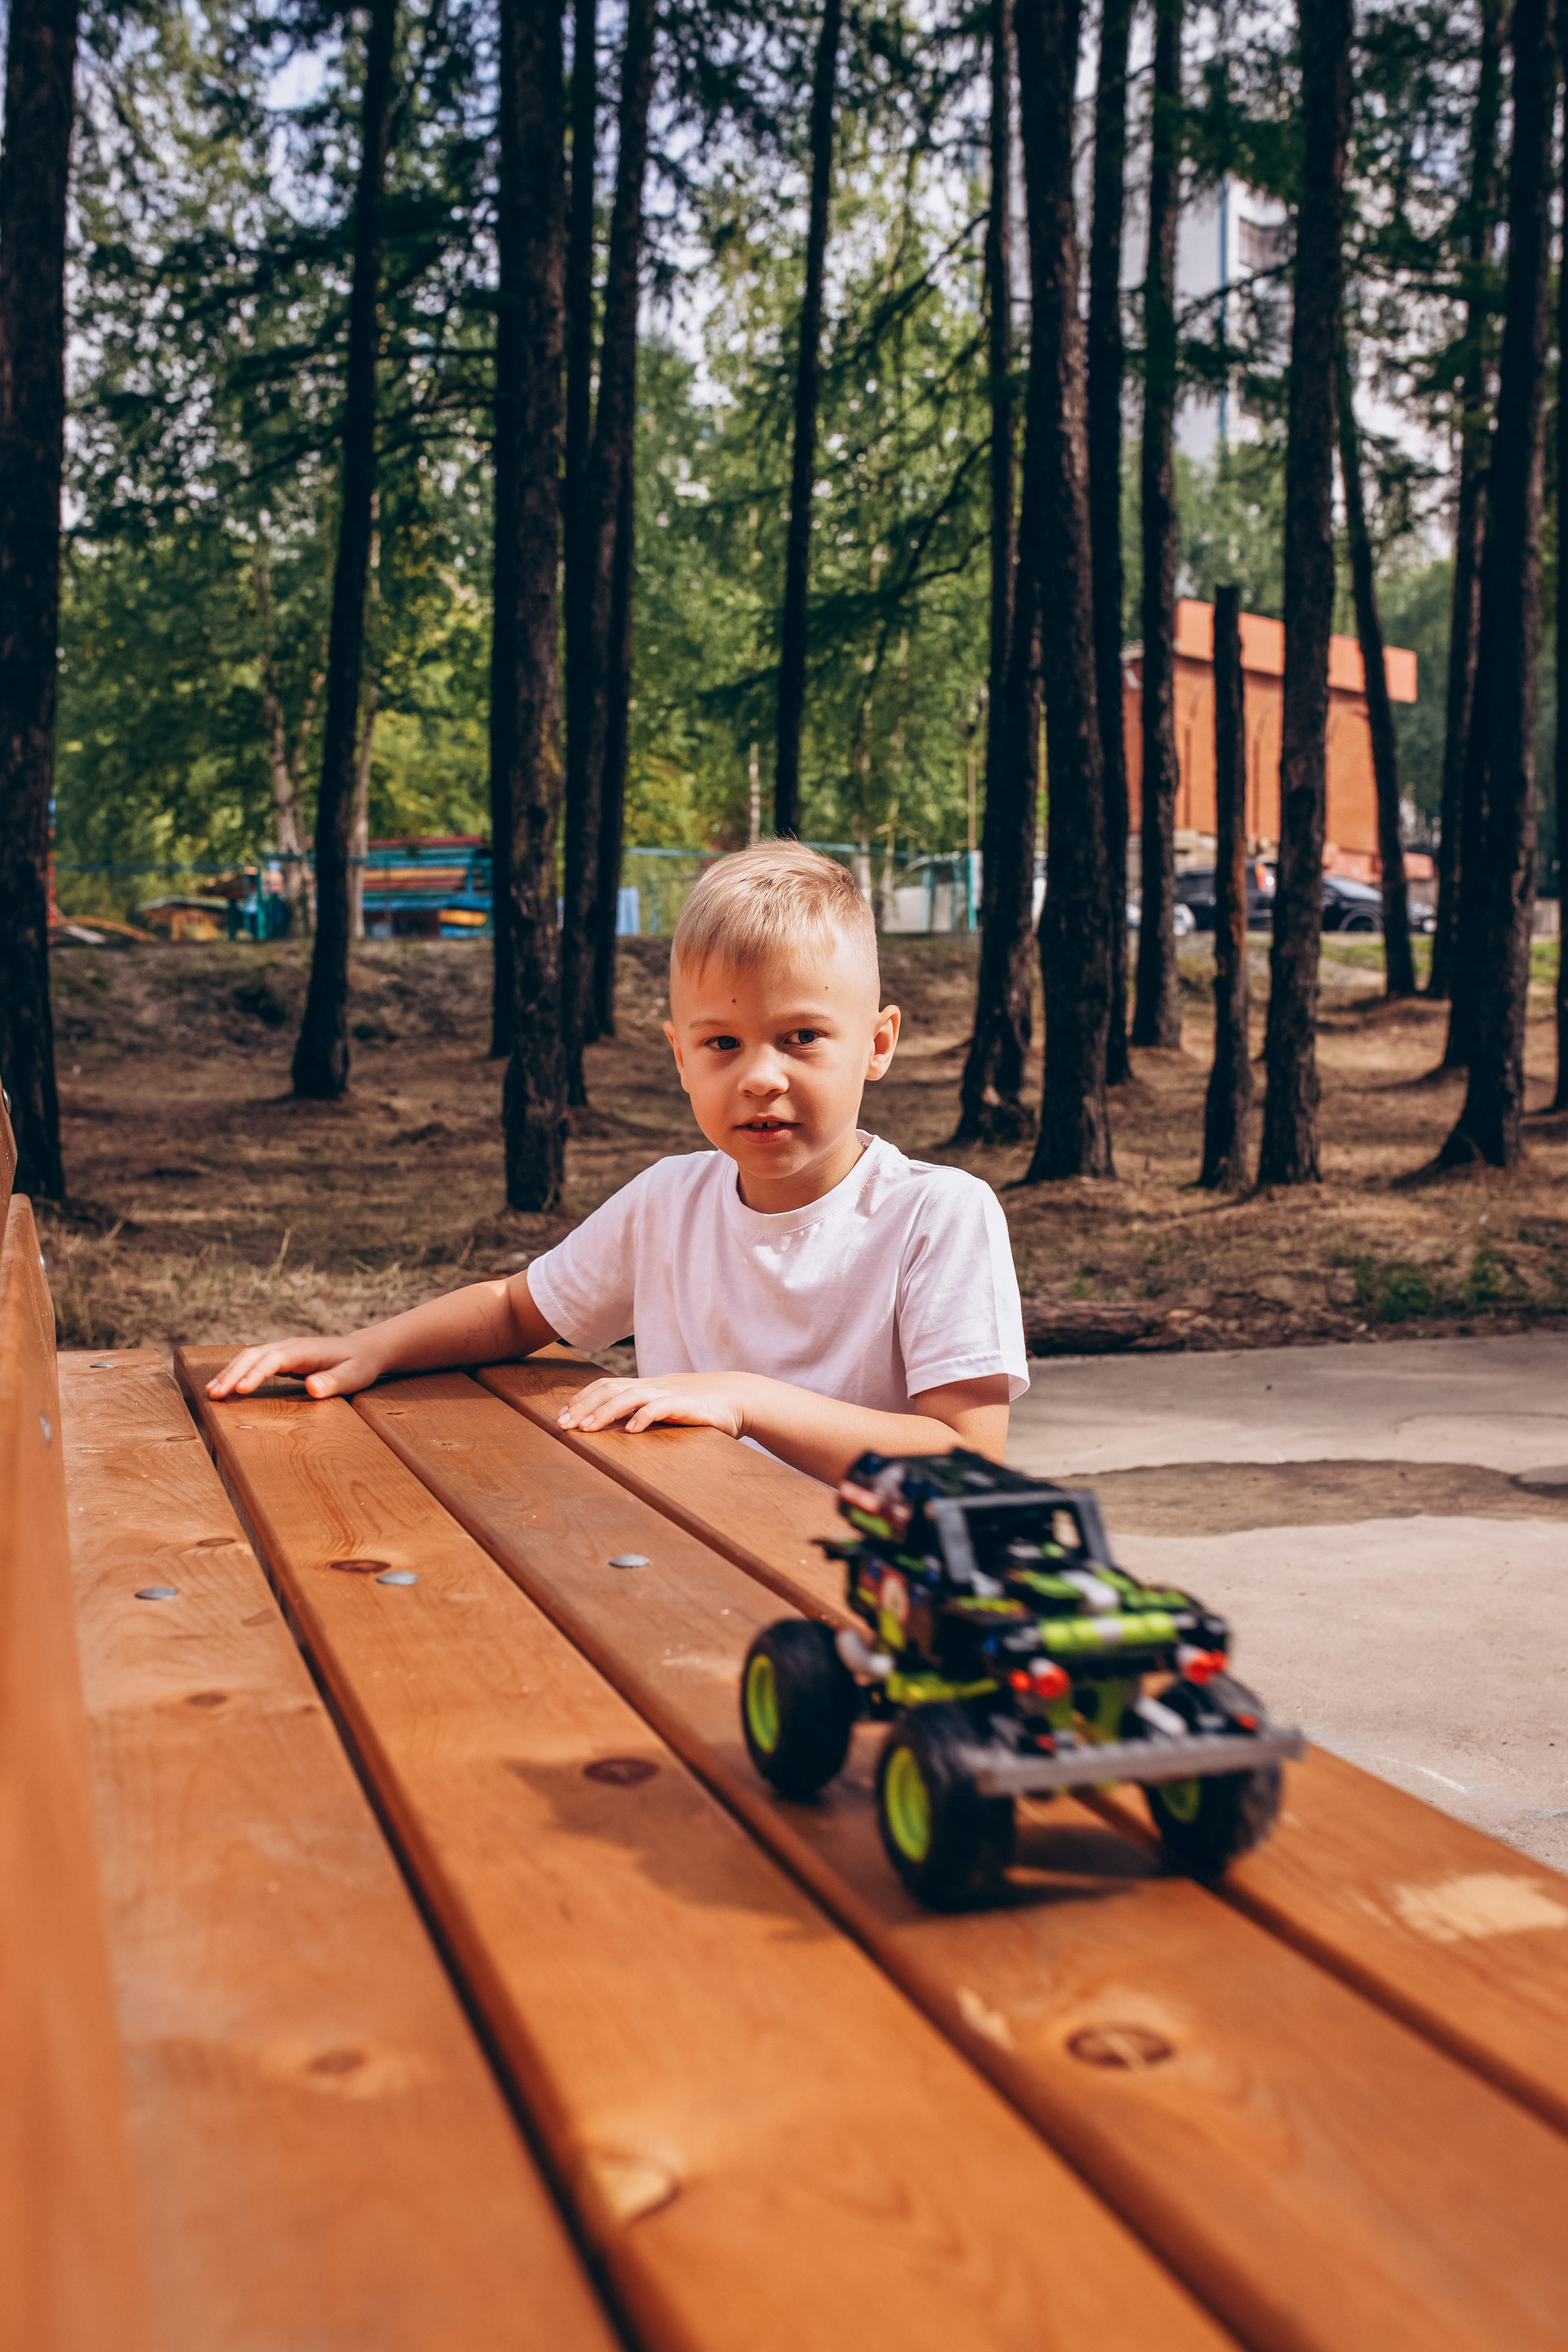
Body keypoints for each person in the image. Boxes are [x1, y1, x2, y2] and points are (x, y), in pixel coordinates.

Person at [209, 841, 1028, 1482]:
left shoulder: (939, 1216)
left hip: (863, 1612)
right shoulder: (669, 1201)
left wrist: (742, 1400)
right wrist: (373, 1347)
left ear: (878, 1043)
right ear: (680, 1057)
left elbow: (964, 1459)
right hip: (684, 1565)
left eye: (802, 1036)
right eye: (722, 1043)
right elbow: (512, 1313)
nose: (760, 1076)